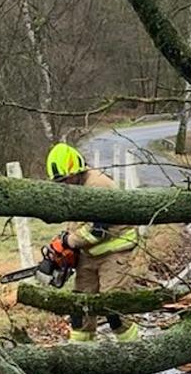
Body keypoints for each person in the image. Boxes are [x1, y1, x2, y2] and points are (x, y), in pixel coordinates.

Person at [46, 143, 142, 342]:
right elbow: (77, 223)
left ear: (76, 171)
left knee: (113, 309)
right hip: (89, 255)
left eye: (66, 179)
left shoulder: (98, 186)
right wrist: (62, 242)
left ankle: (135, 353)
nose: (64, 185)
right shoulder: (77, 188)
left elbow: (97, 230)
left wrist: (70, 241)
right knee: (80, 309)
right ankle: (81, 356)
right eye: (60, 182)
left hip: (114, 252)